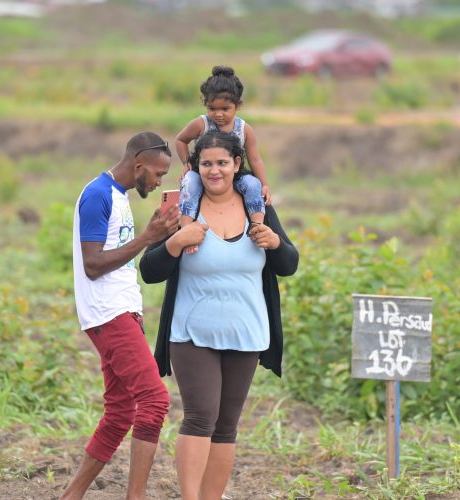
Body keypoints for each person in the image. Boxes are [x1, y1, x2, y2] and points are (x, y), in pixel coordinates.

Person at [139, 130, 298, 500]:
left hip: (246, 332)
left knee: (226, 426)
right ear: (196, 167)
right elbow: (150, 270)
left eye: (222, 163)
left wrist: (275, 243)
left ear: (237, 165)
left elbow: (288, 264)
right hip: (192, 332)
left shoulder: (259, 208)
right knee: (200, 417)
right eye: (206, 163)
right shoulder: (183, 209)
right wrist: (176, 242)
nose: (214, 171)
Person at [61, 131, 180, 500]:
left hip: (121, 312)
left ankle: (71, 495)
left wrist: (158, 235)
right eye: (158, 174)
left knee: (120, 412)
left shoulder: (118, 196)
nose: (159, 181)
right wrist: (148, 237)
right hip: (107, 313)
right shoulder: (98, 195)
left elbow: (118, 255)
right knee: (155, 401)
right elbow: (94, 265)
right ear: (138, 164)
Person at [176, 65, 271, 253]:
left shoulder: (244, 129)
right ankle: (185, 229)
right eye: (212, 108)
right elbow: (181, 140)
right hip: (202, 174)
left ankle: (257, 225)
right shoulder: (201, 124)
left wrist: (265, 183)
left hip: (234, 176)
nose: (218, 114)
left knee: (252, 184)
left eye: (225, 109)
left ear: (238, 106)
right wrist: (187, 163)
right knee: (190, 183)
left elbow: (255, 159)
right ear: (205, 104)